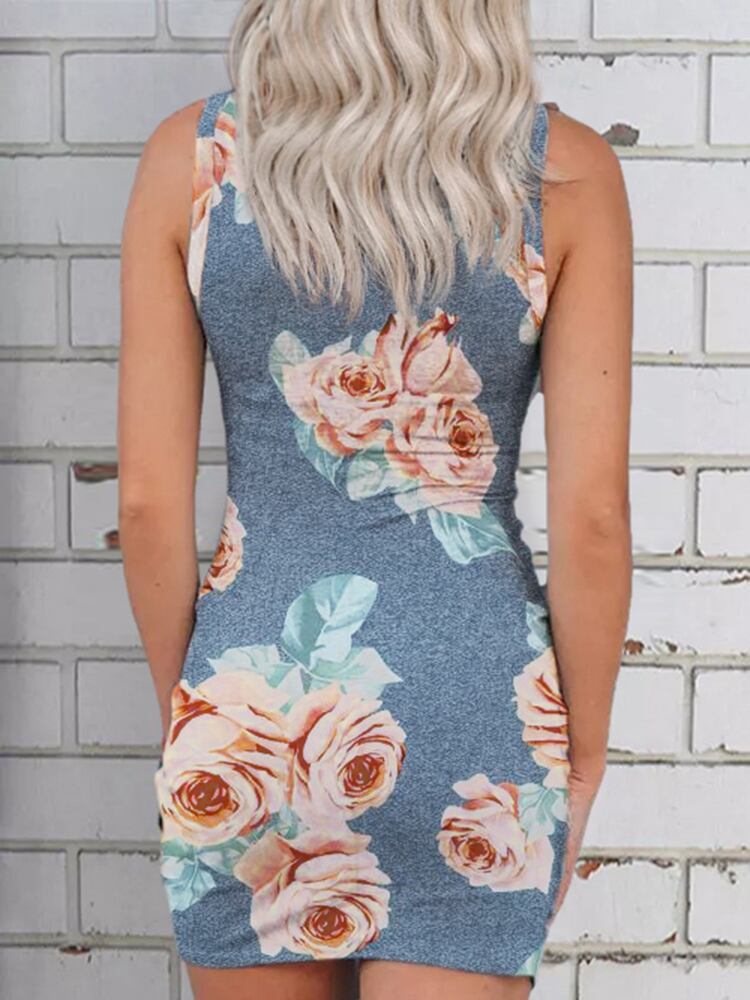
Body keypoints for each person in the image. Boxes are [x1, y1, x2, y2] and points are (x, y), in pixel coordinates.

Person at [117, 2, 633, 998]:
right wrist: (583, 761)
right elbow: (594, 521)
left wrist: (200, 709)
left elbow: (144, 504)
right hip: (478, 713)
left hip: (250, 696)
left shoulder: (192, 161)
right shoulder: (564, 172)